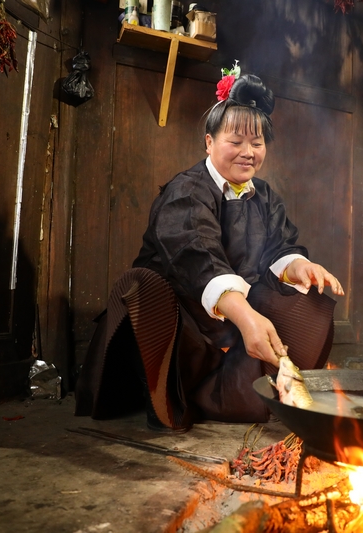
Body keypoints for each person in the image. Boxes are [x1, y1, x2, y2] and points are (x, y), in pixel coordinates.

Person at [75, 72, 343, 431]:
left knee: (307, 302)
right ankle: (169, 394)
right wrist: (247, 318)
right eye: (236, 141)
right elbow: (197, 256)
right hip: (181, 327)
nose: (248, 152)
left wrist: (300, 267)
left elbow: (281, 246)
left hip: (234, 327)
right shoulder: (185, 191)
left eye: (257, 143)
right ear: (209, 142)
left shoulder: (265, 196)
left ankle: (225, 394)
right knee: (143, 286)